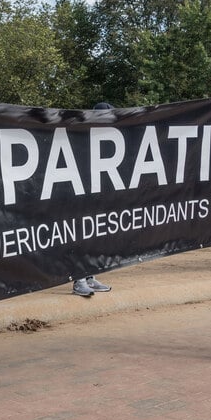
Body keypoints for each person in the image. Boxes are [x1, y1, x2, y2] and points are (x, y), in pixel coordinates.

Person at [71, 101, 115, 297]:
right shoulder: (80, 137)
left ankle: (90, 277)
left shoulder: (111, 140)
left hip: (99, 198)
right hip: (79, 198)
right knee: (81, 236)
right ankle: (78, 280)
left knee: (95, 237)